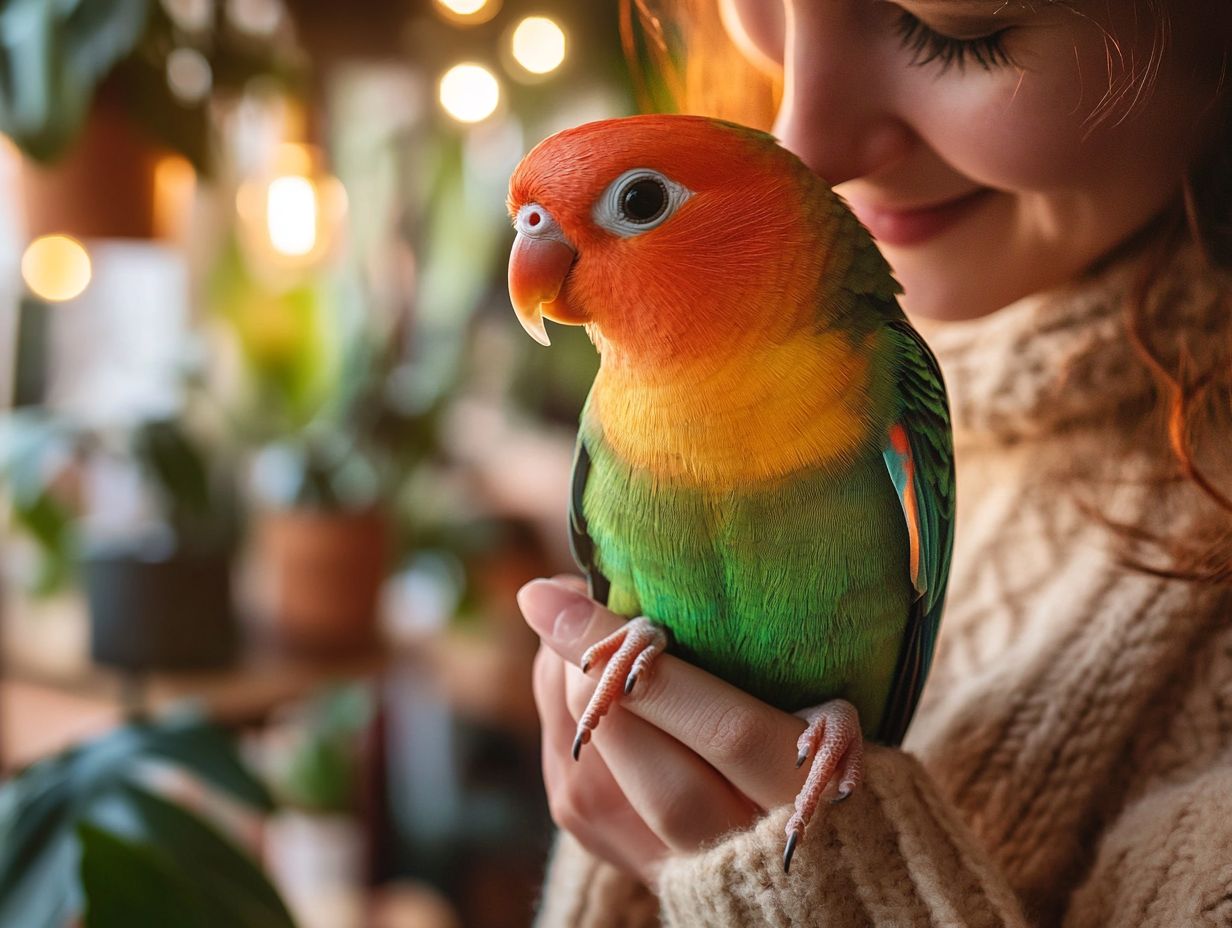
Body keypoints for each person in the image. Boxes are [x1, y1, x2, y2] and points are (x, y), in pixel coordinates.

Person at [517, 1, 1232, 924]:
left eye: (958, 33)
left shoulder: (892, 384)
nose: (800, 134)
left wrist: (828, 887)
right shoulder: (621, 398)